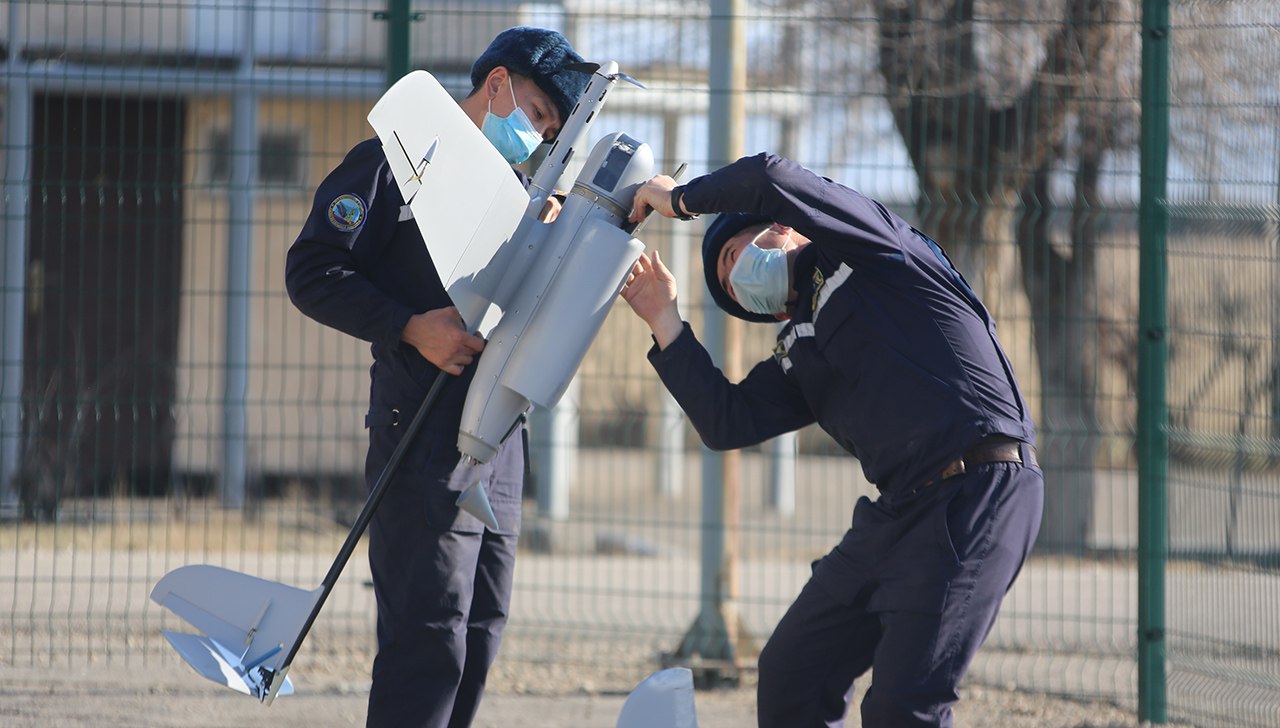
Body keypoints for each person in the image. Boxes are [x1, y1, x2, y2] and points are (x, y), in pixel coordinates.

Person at [621, 152, 1044, 728]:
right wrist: (664, 320)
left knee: (902, 707)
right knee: (793, 673)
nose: (737, 282)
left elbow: (772, 177)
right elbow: (729, 421)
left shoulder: (869, 249)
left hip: (977, 490)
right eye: (729, 289)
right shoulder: (798, 342)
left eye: (730, 256)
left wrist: (680, 199)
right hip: (898, 512)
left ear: (778, 226)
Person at [285, 27, 590, 728]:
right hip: (421, 434)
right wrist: (411, 326)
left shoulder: (521, 197)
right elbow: (311, 272)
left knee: (481, 630)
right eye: (539, 116)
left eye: (549, 131)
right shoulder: (391, 164)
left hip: (500, 437)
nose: (538, 137)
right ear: (498, 86)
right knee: (430, 639)